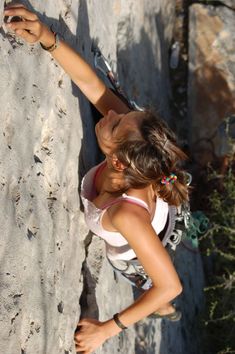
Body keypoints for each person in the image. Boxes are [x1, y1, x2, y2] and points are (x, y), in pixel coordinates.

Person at [4, 4, 189, 353]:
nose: (113, 114)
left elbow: (172, 285)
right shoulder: (132, 147)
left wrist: (107, 329)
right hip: (152, 196)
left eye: (116, 123)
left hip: (141, 240)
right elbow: (92, 84)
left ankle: (163, 311)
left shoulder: (125, 216)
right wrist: (46, 37)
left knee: (149, 282)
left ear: (117, 163)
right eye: (125, 115)